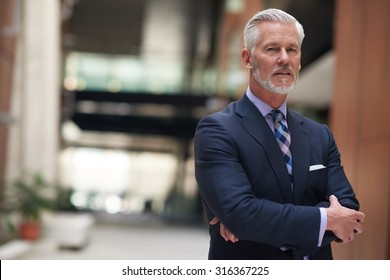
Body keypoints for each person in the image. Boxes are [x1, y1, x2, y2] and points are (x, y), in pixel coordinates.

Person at [194, 8, 365, 260]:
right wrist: (325, 219)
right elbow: (242, 214)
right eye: (272, 49)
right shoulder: (217, 130)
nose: (284, 59)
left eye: (292, 49)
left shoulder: (320, 135)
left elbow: (348, 210)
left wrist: (257, 221)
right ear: (248, 58)